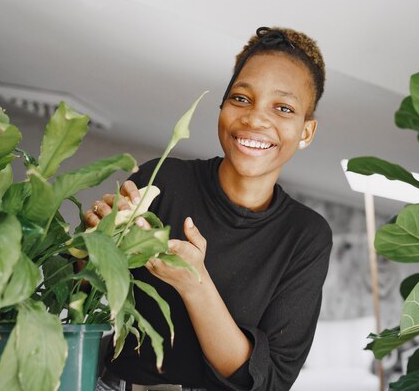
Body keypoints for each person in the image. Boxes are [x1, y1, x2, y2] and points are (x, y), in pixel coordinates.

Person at [85, 26, 332, 391]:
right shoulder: (163, 177)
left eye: (283, 108)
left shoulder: (305, 236)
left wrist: (195, 285)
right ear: (222, 105)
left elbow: (267, 382)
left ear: (306, 131)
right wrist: (94, 242)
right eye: (241, 99)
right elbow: (80, 291)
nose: (255, 119)